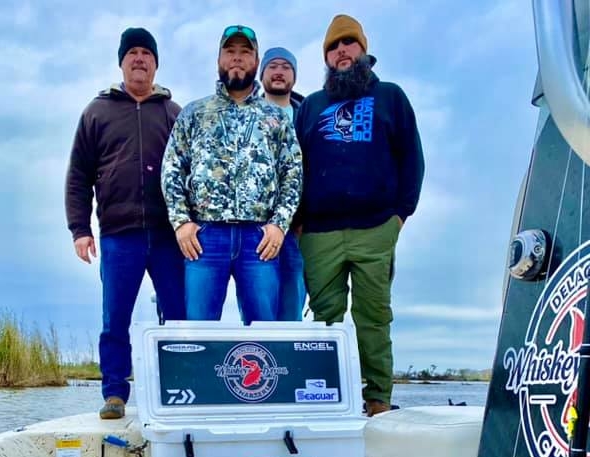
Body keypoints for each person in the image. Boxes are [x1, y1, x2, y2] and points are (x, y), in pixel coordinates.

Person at [295, 15, 424, 416]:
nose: (342, 51)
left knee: (373, 317)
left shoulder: (390, 96)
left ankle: (378, 399)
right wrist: (298, 224)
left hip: (376, 228)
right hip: (319, 233)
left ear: (363, 49)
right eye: (334, 47)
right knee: (325, 322)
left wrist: (400, 215)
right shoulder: (312, 105)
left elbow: (412, 158)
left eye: (349, 43)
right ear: (327, 58)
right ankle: (327, 398)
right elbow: (295, 166)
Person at [65, 27, 185, 420]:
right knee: (114, 317)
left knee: (179, 318)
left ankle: (180, 387)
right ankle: (115, 393)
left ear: (155, 63)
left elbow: (191, 173)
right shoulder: (96, 112)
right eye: (131, 52)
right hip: (119, 236)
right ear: (121, 62)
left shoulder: (173, 113)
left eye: (146, 53)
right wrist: (80, 230)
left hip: (171, 237)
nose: (139, 59)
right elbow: (78, 175)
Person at [161, 25, 303, 324]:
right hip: (204, 238)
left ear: (256, 61)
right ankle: (198, 373)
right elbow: (172, 167)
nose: (237, 58)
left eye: (245, 52)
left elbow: (292, 172)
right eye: (230, 51)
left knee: (264, 334)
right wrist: (182, 223)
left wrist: (279, 225)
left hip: (260, 240)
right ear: (219, 59)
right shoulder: (194, 113)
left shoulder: (275, 117)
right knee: (198, 331)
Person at [259, 46, 306, 323]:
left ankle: (291, 367)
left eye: (285, 67)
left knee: (291, 310)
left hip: (297, 233)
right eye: (272, 66)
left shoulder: (308, 117)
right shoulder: (244, 114)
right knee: (258, 313)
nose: (279, 72)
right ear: (262, 73)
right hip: (256, 232)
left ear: (294, 76)